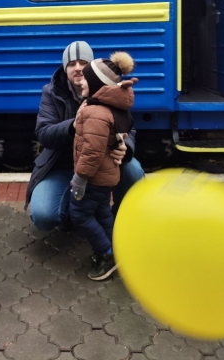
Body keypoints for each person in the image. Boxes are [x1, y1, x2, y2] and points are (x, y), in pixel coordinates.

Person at [25, 41, 144, 231]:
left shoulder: (108, 88)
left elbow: (129, 126)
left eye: (83, 62)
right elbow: (44, 133)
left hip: (101, 163)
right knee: (44, 216)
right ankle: (71, 215)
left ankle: (119, 220)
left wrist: (125, 146)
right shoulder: (51, 92)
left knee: (134, 170)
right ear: (65, 68)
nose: (78, 68)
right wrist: (74, 126)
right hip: (61, 165)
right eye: (72, 64)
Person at [69, 52, 136, 281]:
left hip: (93, 178)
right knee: (102, 212)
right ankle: (115, 249)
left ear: (98, 84)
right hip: (106, 176)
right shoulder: (106, 106)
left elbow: (92, 151)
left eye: (86, 79)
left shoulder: (95, 111)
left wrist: (80, 178)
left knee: (78, 214)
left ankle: (105, 253)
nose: (81, 81)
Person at [179, 0, 206, 94]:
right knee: (185, 46)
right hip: (195, 9)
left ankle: (182, 83)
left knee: (182, 46)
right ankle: (184, 82)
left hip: (185, 10)